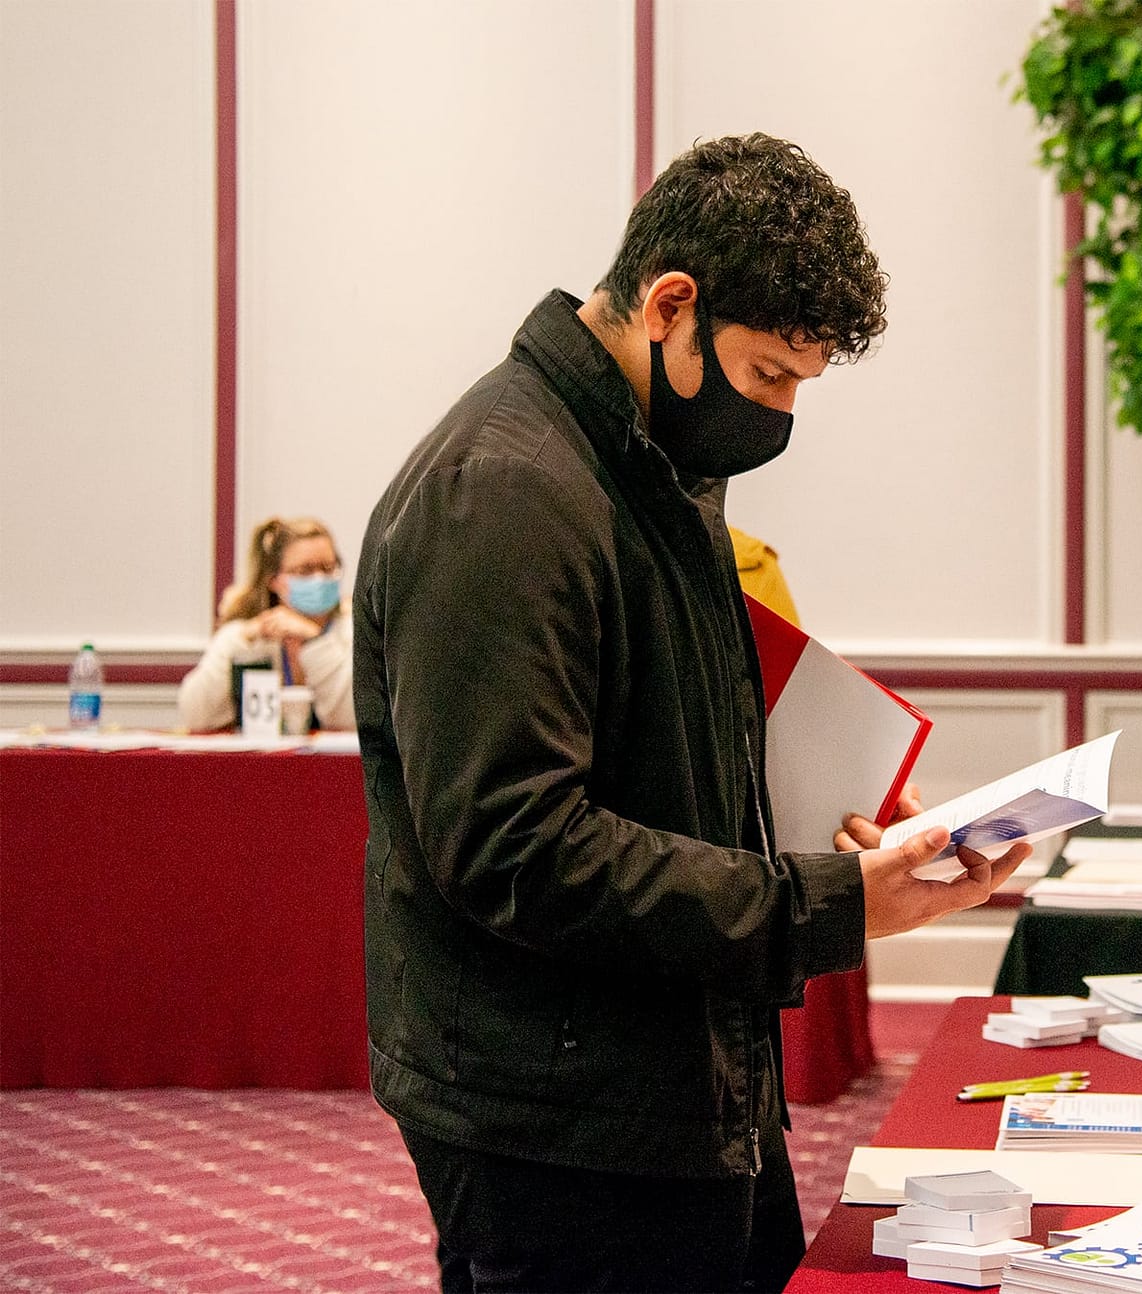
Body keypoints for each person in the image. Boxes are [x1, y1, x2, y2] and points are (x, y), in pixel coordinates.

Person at [354, 132, 1030, 1294]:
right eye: (769, 374)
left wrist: (839, 803)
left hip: (677, 1068)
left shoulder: (650, 462)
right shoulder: (507, 490)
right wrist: (823, 905)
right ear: (670, 304)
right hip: (554, 1117)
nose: (778, 415)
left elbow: (679, 728)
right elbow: (517, 850)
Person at [177, 516, 353, 731]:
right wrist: (240, 641)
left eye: (328, 568)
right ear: (273, 580)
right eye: (305, 570)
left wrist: (315, 642)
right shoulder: (244, 635)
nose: (319, 579)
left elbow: (353, 718)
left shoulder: (354, 630)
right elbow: (196, 717)